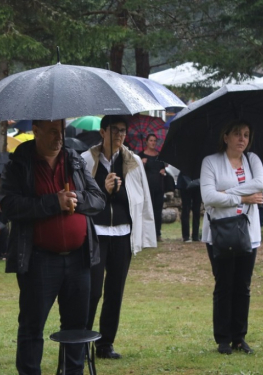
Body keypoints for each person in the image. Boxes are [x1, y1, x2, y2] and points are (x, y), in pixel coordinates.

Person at [0, 119, 105, 375]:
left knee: (76, 330)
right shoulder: (20, 165)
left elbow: (98, 200)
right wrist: (52, 203)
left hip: (79, 260)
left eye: (61, 131)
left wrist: (75, 199)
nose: (59, 138)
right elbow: (10, 206)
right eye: (52, 132)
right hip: (39, 260)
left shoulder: (74, 161)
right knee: (32, 328)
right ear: (35, 132)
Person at [81, 115, 156, 359]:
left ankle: (105, 345)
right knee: (92, 291)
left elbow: (140, 198)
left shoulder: (132, 161)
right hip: (96, 234)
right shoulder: (85, 160)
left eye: (123, 131)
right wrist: (104, 188)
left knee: (115, 292)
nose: (120, 135)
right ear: (102, 132)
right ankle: (83, 342)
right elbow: (84, 200)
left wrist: (118, 191)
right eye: (114, 130)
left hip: (122, 234)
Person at [200, 119, 263, 355]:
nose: (242, 139)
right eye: (237, 134)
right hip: (219, 232)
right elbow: (208, 197)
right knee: (224, 285)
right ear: (225, 136)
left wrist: (225, 194)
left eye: (246, 135)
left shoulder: (253, 160)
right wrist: (243, 197)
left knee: (243, 286)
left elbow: (261, 183)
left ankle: (240, 337)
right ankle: (223, 339)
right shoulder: (211, 162)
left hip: (248, 233)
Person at [138, 134, 166, 242]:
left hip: (159, 187)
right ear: (146, 142)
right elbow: (136, 172)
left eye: (154, 141)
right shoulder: (141, 156)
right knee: (146, 211)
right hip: (146, 188)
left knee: (157, 211)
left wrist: (163, 172)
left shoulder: (159, 156)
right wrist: (141, 164)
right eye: (151, 140)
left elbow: (163, 169)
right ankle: (146, 234)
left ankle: (157, 233)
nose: (153, 143)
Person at [177, 172, 201, 242]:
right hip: (185, 183)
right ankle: (186, 236)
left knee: (197, 210)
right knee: (186, 209)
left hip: (197, 183)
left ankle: (195, 235)